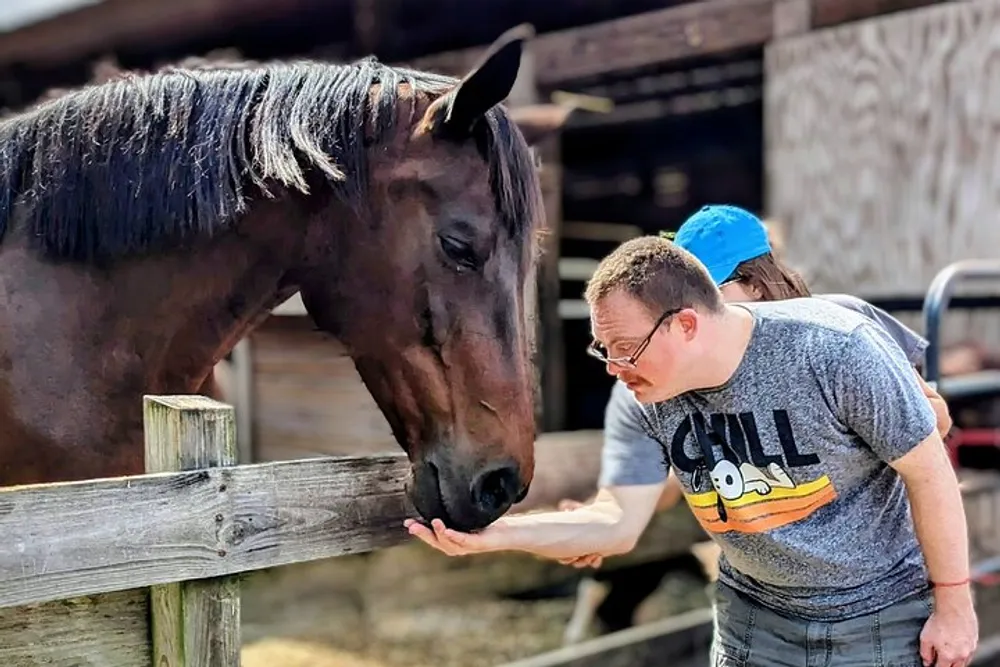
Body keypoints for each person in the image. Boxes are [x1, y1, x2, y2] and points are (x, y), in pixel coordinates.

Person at [406, 210, 978, 666]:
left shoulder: (836, 340)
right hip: (756, 613)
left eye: (626, 348)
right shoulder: (643, 388)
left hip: (874, 610)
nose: (615, 365)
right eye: (606, 350)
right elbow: (623, 514)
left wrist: (953, 602)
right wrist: (505, 533)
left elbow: (927, 459)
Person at [555, 204, 954, 638]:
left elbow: (936, 420)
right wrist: (603, 520)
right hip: (763, 597)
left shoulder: (841, 328)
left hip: (868, 587)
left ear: (755, 284)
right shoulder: (687, 375)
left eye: (709, 288)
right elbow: (672, 478)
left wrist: (843, 427)